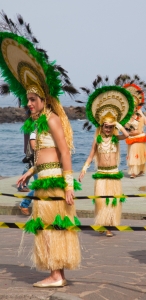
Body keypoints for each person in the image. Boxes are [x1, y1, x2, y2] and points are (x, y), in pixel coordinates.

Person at [0, 14, 81, 287]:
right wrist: (29, 172)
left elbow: (64, 152)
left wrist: (69, 185)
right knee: (48, 227)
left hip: (55, 182)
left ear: (43, 99)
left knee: (52, 228)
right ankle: (57, 274)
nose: (29, 104)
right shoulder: (38, 122)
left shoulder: (54, 119)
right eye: (27, 100)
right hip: (43, 178)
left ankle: (56, 275)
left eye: (32, 99)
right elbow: (44, 156)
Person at [78, 82, 134, 237]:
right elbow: (90, 156)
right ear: (101, 126)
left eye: (110, 127)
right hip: (101, 173)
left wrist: (118, 124)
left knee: (112, 201)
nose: (108, 129)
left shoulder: (116, 137)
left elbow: (128, 136)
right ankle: (103, 223)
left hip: (114, 173)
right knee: (101, 201)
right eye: (106, 126)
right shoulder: (97, 139)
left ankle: (109, 225)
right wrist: (84, 169)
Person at [114, 75, 146, 178]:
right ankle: (133, 172)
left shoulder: (140, 114)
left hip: (140, 137)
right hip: (130, 138)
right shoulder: (125, 116)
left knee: (139, 155)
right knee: (132, 155)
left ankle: (139, 171)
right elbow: (120, 126)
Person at [19, 131, 38, 216]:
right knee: (39, 186)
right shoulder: (34, 132)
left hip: (48, 164)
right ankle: (24, 204)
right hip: (37, 163)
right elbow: (34, 147)